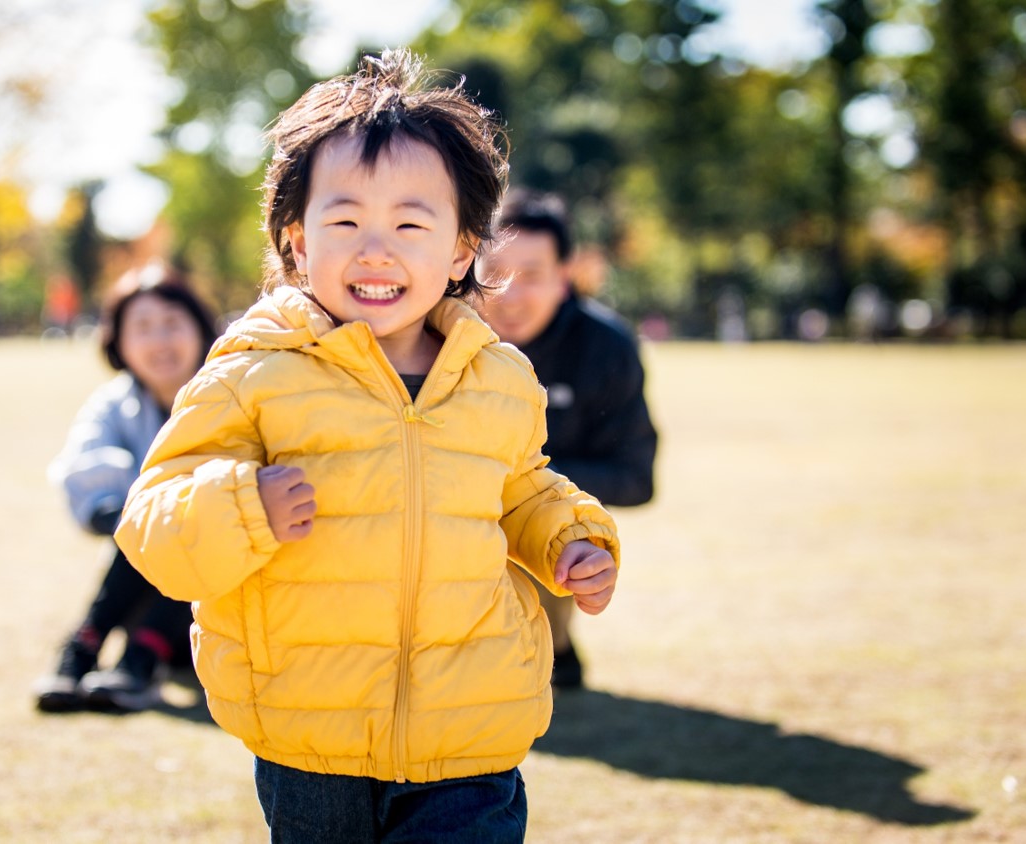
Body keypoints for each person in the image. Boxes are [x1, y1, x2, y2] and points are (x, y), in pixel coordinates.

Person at [114, 49, 621, 841]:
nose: (375, 249)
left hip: (470, 732)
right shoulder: (256, 372)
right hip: (312, 737)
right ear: (297, 242)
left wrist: (570, 536)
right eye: (345, 220)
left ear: (461, 251)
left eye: (411, 225)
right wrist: (244, 506)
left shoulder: (497, 378)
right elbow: (153, 523)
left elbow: (521, 488)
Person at [477, 189, 658, 690]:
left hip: (543, 521)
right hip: (446, 514)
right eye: (494, 273)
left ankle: (549, 645)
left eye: (531, 274)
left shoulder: (606, 348)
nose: (509, 293)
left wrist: (529, 485)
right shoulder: (437, 335)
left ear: (565, 277)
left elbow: (636, 478)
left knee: (551, 522)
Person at [35, 264, 217, 713]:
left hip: (222, 599)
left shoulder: (234, 393)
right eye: (142, 328)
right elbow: (85, 474)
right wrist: (138, 513)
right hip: (141, 582)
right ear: (119, 342)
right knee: (150, 519)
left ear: (200, 327)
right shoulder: (115, 403)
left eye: (172, 323)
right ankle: (93, 648)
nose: (160, 340)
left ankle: (132, 659)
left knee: (202, 523)